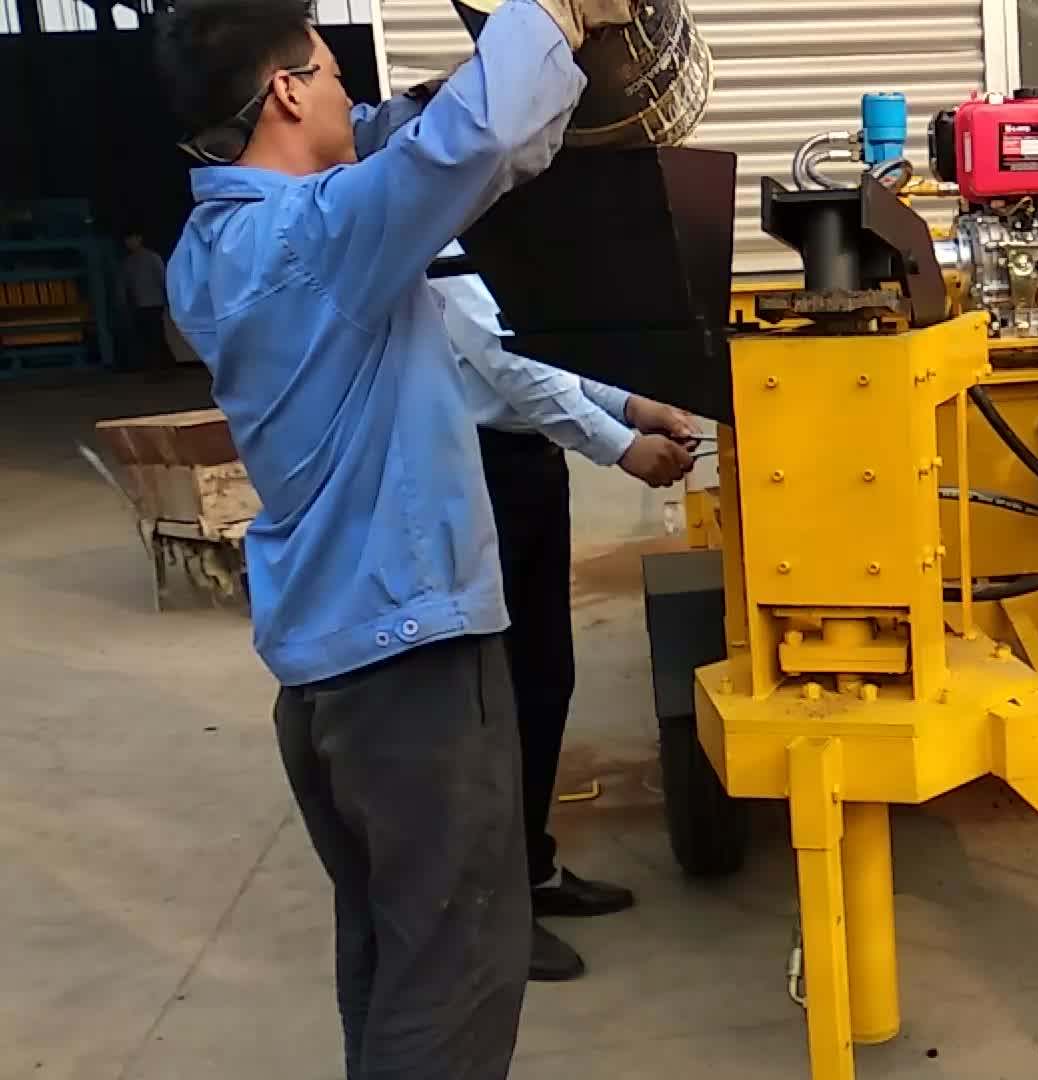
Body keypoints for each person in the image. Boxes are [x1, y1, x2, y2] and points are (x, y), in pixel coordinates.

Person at [154, 0, 638, 1075]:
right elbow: (473, 141)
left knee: (391, 957)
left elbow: (408, 138)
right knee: (457, 976)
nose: (352, 96)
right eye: (332, 74)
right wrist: (553, 14)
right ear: (286, 93)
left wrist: (458, 86)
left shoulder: (213, 248)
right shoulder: (316, 239)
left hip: (329, 679)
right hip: (410, 671)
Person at [433, 257, 697, 982]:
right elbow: (512, 363)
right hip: (481, 475)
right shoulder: (448, 248)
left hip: (528, 467)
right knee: (498, 695)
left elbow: (548, 351)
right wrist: (622, 445)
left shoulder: (501, 241)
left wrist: (631, 406)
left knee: (544, 681)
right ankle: (492, 916)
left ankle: (530, 869)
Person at [119, 232, 171, 369]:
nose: (129, 243)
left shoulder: (152, 257)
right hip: (138, 304)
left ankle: (163, 364)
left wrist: (168, 299)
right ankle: (156, 364)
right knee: (146, 335)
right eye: (127, 240)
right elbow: (126, 284)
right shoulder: (128, 262)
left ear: (139, 239)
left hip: (154, 302)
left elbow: (163, 279)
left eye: (131, 239)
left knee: (156, 334)